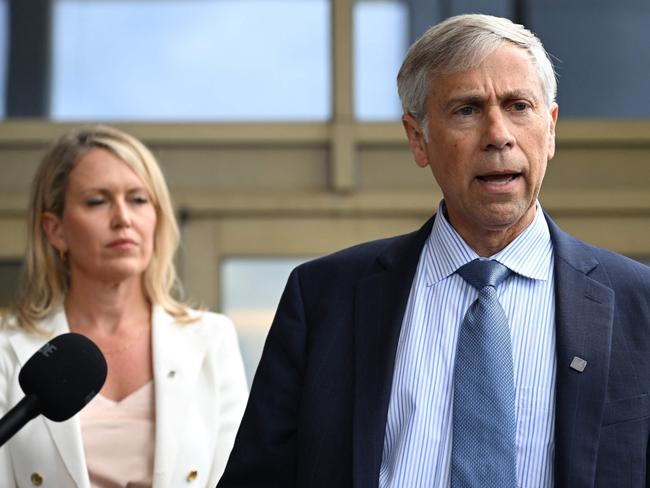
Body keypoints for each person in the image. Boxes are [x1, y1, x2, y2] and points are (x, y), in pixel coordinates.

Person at [218, 13, 650, 488]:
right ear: (417, 138)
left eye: (518, 106)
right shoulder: (324, 297)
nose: (498, 134)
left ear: (550, 130)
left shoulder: (638, 303)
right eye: (467, 109)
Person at [0, 125, 248, 487]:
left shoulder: (211, 338)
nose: (123, 219)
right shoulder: (8, 347)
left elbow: (237, 476)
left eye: (138, 199)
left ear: (156, 219)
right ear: (56, 230)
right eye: (97, 201)